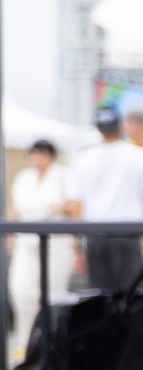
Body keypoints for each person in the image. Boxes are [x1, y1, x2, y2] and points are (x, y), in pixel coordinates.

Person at [62, 110, 143, 294]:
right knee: (134, 295)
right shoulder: (140, 156)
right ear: (121, 126)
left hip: (95, 234)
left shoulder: (84, 158)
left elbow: (75, 206)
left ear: (99, 129)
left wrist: (79, 245)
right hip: (130, 233)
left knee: (99, 296)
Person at [8, 138, 71, 357]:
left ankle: (53, 348)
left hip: (57, 243)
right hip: (26, 243)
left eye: (41, 154)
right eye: (33, 154)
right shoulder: (24, 177)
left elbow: (75, 206)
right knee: (22, 293)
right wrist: (9, 237)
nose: (36, 158)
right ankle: (25, 347)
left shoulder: (63, 175)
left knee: (53, 295)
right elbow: (13, 208)